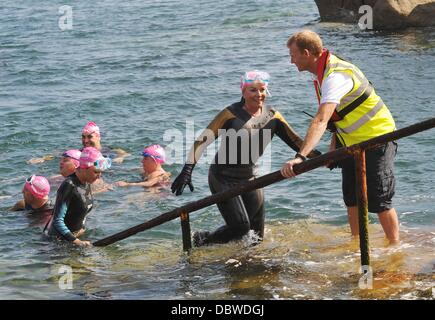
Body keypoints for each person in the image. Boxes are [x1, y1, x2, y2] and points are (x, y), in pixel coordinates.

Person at [171, 70, 320, 247]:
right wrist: (187, 171)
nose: (259, 95)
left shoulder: (273, 116)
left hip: (251, 177)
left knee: (257, 236)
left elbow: (297, 143)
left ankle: (248, 268)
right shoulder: (230, 114)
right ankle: (204, 239)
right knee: (241, 227)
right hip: (223, 177)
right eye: (253, 90)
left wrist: (325, 157)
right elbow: (201, 141)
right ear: (243, 91)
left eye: (262, 90)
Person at [280, 30, 399, 244]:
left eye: (293, 55)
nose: (291, 61)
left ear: (306, 53)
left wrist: (300, 156)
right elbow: (338, 117)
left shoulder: (335, 76)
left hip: (377, 137)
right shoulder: (322, 73)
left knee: (380, 200)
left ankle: (395, 247)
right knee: (351, 198)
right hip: (351, 143)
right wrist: (332, 149)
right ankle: (357, 244)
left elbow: (321, 119)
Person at [46, 147, 111, 246]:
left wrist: (81, 231)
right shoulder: (69, 185)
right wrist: (77, 242)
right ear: (84, 168)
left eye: (100, 172)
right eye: (96, 172)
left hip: (75, 238)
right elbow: (57, 221)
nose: (99, 176)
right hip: (58, 243)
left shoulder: (86, 182)